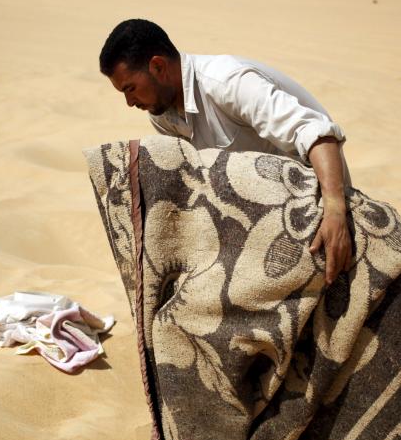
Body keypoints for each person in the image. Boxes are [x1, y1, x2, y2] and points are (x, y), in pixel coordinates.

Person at [99, 19, 353, 285]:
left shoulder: (226, 82)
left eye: (130, 88)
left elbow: (316, 133)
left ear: (158, 66)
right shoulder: (162, 114)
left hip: (316, 200)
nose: (129, 102)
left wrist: (335, 210)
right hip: (256, 213)